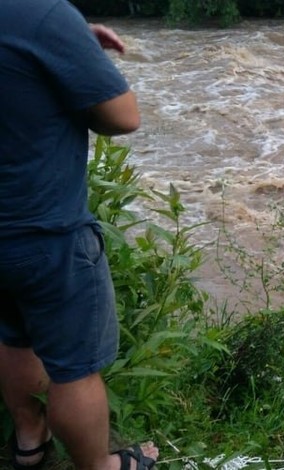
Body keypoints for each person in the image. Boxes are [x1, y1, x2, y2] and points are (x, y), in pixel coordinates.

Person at [0, 2, 157, 469]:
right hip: (46, 232)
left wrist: (67, 38)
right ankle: (100, 466)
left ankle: (30, 442)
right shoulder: (44, 15)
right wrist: (68, 42)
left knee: (13, 338)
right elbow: (122, 117)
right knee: (76, 370)